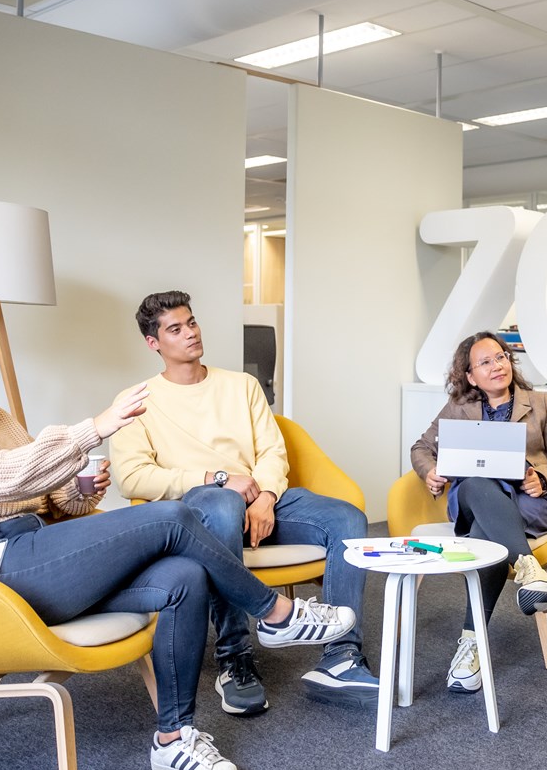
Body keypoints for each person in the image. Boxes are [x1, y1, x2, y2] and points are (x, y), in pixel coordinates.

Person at [0, 285, 356, 770]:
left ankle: (174, 739)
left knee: (183, 577)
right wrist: (95, 428)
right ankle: (275, 614)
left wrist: (77, 492)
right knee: (172, 517)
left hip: (33, 555)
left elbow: (43, 496)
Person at [110, 291, 376, 713]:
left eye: (191, 322)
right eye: (175, 329)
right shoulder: (138, 401)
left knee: (347, 519)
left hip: (262, 501)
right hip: (202, 511)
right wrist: (216, 479)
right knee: (221, 504)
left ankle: (341, 656)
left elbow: (272, 451)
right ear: (153, 342)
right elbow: (132, 477)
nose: (190, 333)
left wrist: (266, 497)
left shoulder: (242, 385)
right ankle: (234, 657)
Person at [410, 332, 547, 693]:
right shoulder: (458, 407)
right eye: (485, 362)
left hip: (529, 501)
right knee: (475, 484)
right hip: (476, 499)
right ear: (470, 376)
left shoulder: (541, 402)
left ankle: (471, 644)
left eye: (500, 357)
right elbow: (421, 448)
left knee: (486, 536)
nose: (497, 365)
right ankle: (530, 570)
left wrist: (544, 477)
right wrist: (430, 471)